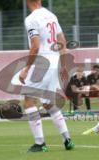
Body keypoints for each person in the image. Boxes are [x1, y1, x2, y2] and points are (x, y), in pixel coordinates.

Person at [19, 0, 74, 152]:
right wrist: (63, 65)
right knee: (49, 103)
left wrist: (26, 69)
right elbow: (62, 41)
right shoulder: (51, 15)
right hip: (55, 62)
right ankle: (67, 139)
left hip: (42, 63)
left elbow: (35, 46)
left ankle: (40, 143)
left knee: (29, 101)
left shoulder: (31, 19)